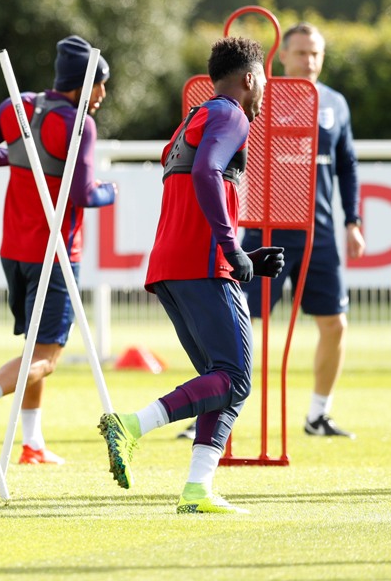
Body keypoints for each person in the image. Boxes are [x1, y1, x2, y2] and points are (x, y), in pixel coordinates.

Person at [98, 36, 284, 514]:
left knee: (218, 379)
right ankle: (132, 425)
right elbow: (206, 173)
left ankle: (198, 489)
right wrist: (227, 246)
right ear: (249, 79)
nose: (266, 88)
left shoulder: (194, 119)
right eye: (264, 79)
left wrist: (243, 253)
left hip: (173, 265)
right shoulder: (231, 114)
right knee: (236, 379)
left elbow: (194, 184)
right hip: (202, 263)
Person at [0, 36, 117, 465]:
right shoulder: (80, 124)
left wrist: (21, 155)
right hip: (56, 253)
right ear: (83, 83)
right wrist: (110, 192)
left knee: (34, 349)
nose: (103, 95)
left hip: (13, 251)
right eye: (101, 84)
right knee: (48, 357)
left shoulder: (18, 106)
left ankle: (33, 444)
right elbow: (81, 193)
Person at [241, 22, 364, 439]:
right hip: (265, 230)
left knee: (336, 324)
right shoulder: (260, 96)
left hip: (321, 234)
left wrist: (353, 220)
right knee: (236, 322)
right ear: (283, 55)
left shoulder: (336, 103)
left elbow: (347, 165)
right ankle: (216, 411)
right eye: (301, 53)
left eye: (316, 53)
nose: (309, 61)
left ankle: (317, 415)